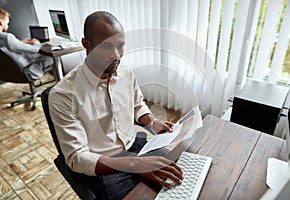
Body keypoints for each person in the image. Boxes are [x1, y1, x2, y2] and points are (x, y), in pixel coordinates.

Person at [49, 11, 183, 199]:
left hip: (133, 145)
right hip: (104, 163)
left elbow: (137, 105)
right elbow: (77, 157)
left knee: (179, 174)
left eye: (121, 46)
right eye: (106, 46)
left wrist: (152, 122)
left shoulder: (126, 73)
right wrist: (133, 164)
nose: (116, 55)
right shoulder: (63, 95)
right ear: (86, 45)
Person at [0, 8, 53, 81]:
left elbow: (10, 48)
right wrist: (36, 42)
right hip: (26, 71)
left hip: (7, 73)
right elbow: (35, 49)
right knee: (52, 57)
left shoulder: (4, 38)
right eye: (7, 23)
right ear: (1, 22)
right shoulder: (8, 37)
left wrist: (20, 43)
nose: (8, 26)